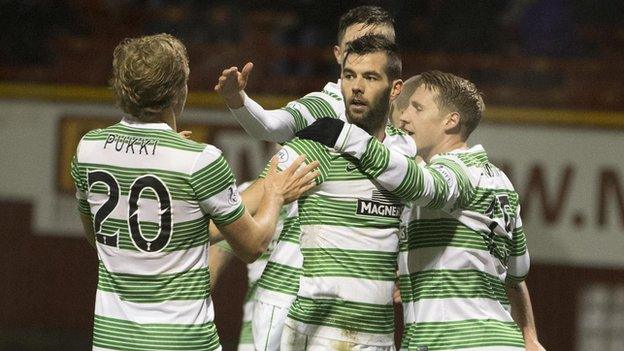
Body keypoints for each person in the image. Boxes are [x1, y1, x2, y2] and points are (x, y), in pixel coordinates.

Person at [69, 33, 318, 351]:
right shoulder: (199, 160)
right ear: (177, 91)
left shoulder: (88, 148)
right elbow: (252, 246)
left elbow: (98, 239)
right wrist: (275, 194)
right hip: (184, 342)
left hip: (111, 343)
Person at [296, 71, 545, 350]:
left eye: (418, 108)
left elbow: (426, 186)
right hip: (501, 340)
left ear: (451, 121)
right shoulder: (502, 183)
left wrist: (347, 137)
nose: (404, 117)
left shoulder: (457, 171)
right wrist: (530, 335)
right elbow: (516, 274)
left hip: (454, 344)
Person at [214, 6, 399, 351]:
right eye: (359, 42)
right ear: (338, 54)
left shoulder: (399, 122)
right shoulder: (324, 106)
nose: (369, 49)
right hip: (291, 285)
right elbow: (269, 126)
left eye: (381, 42)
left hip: (354, 301)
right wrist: (238, 101)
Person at [274, 34, 415, 350]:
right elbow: (250, 205)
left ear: (395, 89)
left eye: (370, 77)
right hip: (317, 336)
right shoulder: (316, 148)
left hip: (378, 336)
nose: (357, 87)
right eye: (349, 76)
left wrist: (407, 268)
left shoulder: (407, 157)